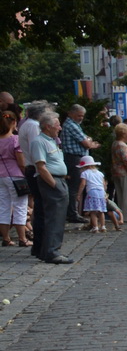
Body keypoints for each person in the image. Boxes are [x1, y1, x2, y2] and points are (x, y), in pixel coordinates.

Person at [28, 110, 72, 264]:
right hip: (51, 181)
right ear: (47, 126)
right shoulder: (39, 142)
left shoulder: (52, 140)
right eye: (57, 125)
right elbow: (41, 166)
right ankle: (52, 251)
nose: (59, 128)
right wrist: (54, 184)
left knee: (55, 217)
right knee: (54, 218)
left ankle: (46, 250)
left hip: (58, 180)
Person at [0, 111, 29, 247]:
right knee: (20, 207)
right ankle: (22, 239)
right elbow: (21, 162)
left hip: (1, 176)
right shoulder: (15, 139)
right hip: (16, 176)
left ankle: (6, 238)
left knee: (3, 207)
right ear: (13, 123)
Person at [108, 121, 127, 226]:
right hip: (124, 173)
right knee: (126, 196)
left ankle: (123, 215)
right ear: (124, 134)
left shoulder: (116, 143)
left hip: (117, 172)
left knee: (121, 195)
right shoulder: (122, 145)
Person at [76, 157, 109, 232]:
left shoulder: (85, 173)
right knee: (101, 211)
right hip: (101, 192)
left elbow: (83, 184)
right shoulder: (100, 173)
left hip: (92, 192)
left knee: (93, 211)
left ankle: (95, 227)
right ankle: (103, 226)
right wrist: (105, 193)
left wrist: (78, 194)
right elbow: (103, 184)